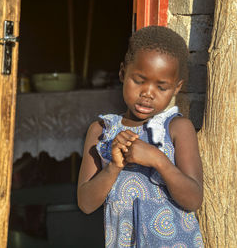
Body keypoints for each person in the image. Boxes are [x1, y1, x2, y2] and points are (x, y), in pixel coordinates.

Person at [77, 26, 204, 247]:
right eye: (139, 80)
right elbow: (86, 204)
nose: (148, 93)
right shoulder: (101, 131)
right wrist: (113, 167)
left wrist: (159, 160)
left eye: (161, 87)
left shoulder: (178, 128)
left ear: (176, 88)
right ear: (122, 73)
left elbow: (193, 199)